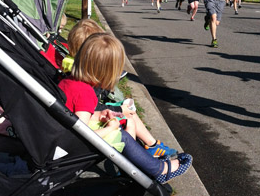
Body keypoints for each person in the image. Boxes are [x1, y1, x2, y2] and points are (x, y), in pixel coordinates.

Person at [58, 33, 192, 183]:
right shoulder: (86, 93)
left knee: (128, 122)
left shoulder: (69, 81)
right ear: (106, 73)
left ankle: (136, 166)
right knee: (124, 136)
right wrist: (110, 128)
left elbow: (75, 115)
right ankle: (158, 170)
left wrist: (98, 114)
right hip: (73, 147)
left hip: (61, 137)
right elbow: (81, 133)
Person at [62, 19, 178, 158]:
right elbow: (85, 114)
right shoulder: (84, 83)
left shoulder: (73, 69)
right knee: (129, 117)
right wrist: (118, 110)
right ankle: (136, 157)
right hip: (92, 122)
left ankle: (150, 146)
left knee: (129, 114)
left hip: (91, 112)